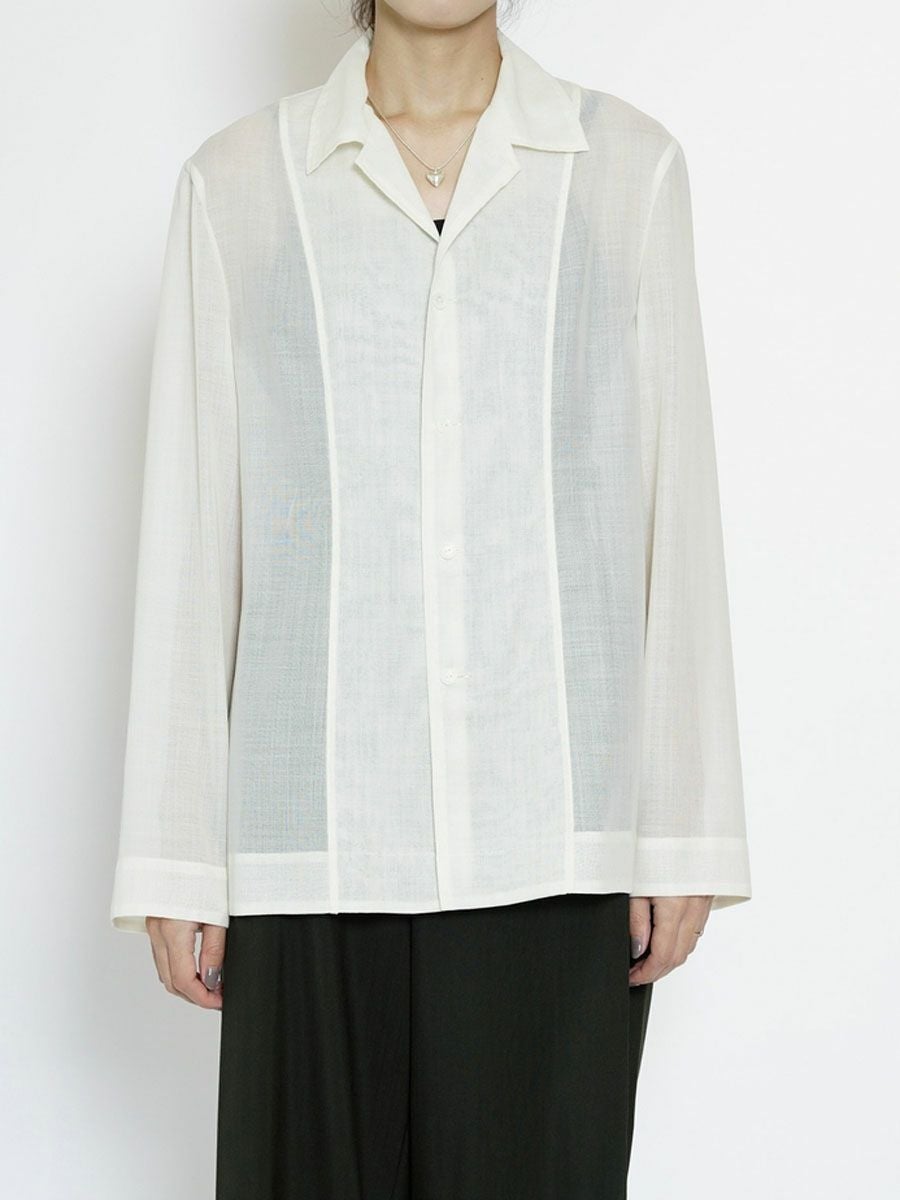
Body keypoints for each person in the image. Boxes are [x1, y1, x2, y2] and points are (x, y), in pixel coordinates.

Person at [110, 1, 752, 1196]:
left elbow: (673, 503)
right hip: (311, 851)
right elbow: (195, 529)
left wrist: (684, 828)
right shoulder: (240, 187)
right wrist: (175, 856)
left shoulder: (626, 174)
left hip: (553, 844)